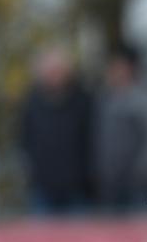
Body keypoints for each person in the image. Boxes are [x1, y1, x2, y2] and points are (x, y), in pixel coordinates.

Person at [92, 45, 147, 212]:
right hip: (110, 187)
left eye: (116, 66)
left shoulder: (145, 99)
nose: (112, 71)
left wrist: (141, 172)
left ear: (129, 67)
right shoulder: (105, 99)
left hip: (138, 185)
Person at [19, 46, 94, 214]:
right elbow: (24, 141)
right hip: (43, 190)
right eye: (50, 71)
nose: (54, 75)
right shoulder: (31, 105)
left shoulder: (83, 102)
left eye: (58, 70)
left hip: (78, 190)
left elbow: (93, 142)